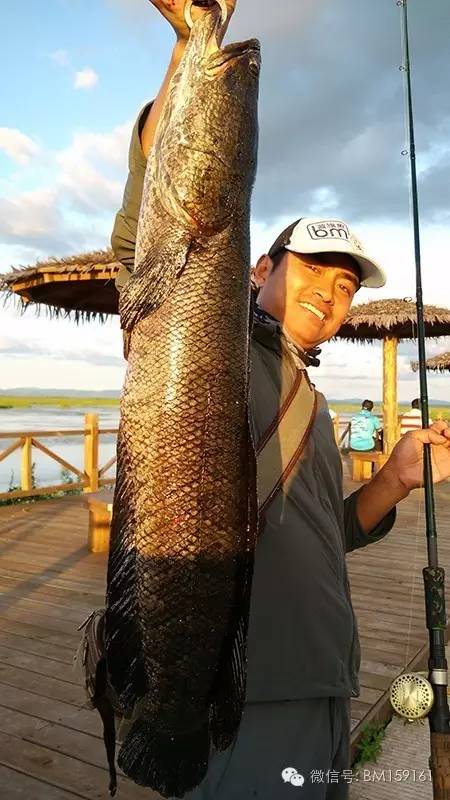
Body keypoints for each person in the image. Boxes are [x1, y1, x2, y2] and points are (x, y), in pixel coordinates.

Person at [110, 2, 450, 797]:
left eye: (344, 288)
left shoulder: (313, 401)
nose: (329, 295)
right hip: (244, 694)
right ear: (260, 270)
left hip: (325, 684)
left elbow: (329, 536)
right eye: (312, 271)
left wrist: (395, 480)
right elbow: (152, 235)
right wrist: (191, 48)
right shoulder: (211, 337)